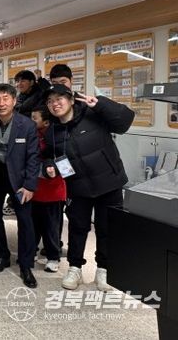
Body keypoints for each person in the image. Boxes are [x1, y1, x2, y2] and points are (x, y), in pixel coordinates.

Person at [42, 84, 134, 291]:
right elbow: (48, 156)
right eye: (50, 101)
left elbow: (125, 122)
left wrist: (102, 105)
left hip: (109, 183)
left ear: (71, 99)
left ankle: (104, 269)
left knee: (107, 228)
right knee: (77, 228)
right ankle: (75, 268)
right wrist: (48, 167)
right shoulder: (52, 132)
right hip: (77, 187)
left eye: (59, 99)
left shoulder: (94, 115)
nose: (55, 104)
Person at [0, 83, 39, 288]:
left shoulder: (26, 125)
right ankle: (2, 256)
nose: (1, 103)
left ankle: (26, 264)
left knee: (25, 220)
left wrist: (29, 185)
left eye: (5, 98)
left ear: (14, 101)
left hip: (19, 179)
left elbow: (33, 157)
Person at [30, 106, 66, 273]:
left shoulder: (58, 137)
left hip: (53, 190)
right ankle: (31, 251)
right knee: (33, 225)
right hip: (34, 188)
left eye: (34, 118)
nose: (31, 121)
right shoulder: (32, 136)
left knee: (51, 227)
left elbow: (66, 164)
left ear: (45, 122)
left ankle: (53, 257)